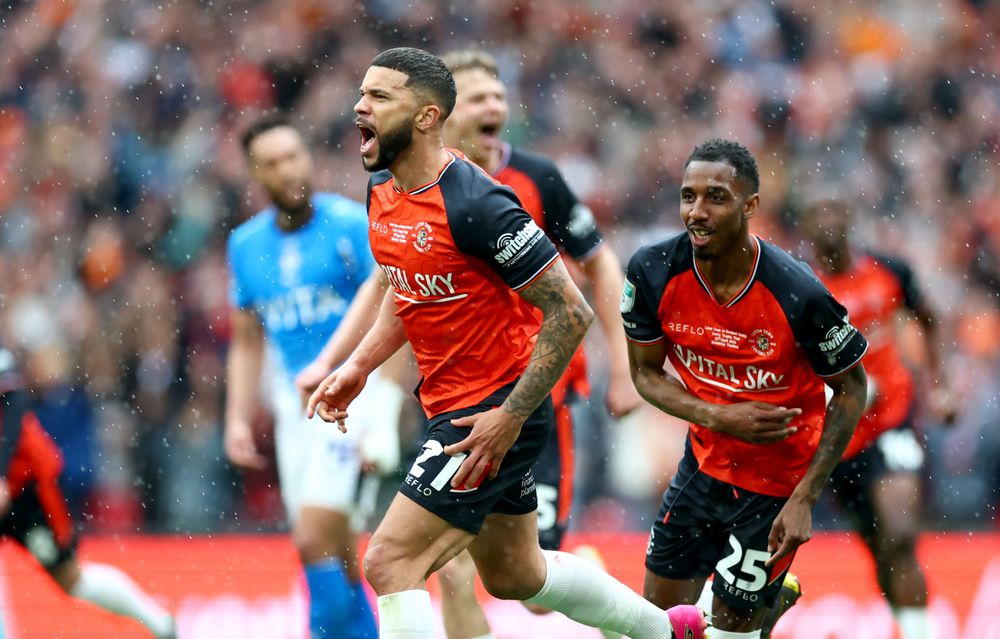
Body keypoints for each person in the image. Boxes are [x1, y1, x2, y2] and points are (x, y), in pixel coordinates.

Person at [308, 46, 705, 639]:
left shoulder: (477, 203)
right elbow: (407, 283)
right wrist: (360, 366)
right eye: (362, 94)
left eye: (379, 97)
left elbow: (570, 312)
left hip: (488, 413)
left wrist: (509, 417)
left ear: (425, 117)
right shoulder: (382, 193)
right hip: (454, 405)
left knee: (388, 562)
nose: (359, 107)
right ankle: (667, 632)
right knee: (518, 575)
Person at [432, 48, 643, 638]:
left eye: (499, 94)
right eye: (478, 97)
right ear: (442, 114)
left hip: (536, 400)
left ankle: (608, 595)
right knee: (442, 556)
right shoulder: (422, 187)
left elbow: (601, 269)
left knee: (528, 586)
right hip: (460, 399)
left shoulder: (538, 177)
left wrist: (623, 370)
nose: (494, 105)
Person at [622, 139, 869, 639]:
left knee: (729, 634)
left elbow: (851, 391)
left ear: (750, 205)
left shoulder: (798, 293)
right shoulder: (652, 270)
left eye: (716, 197)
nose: (697, 211)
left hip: (776, 489)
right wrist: (719, 416)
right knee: (658, 626)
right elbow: (645, 374)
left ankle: (758, 615)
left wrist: (805, 497)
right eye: (688, 196)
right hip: (702, 469)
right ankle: (767, 610)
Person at [225, 114, 404, 639]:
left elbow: (397, 311)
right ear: (255, 173)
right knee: (337, 550)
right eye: (274, 162)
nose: (289, 170)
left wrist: (386, 411)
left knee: (311, 537)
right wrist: (237, 418)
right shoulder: (244, 244)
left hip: (351, 398)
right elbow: (247, 337)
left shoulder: (350, 223)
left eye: (294, 155)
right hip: (293, 407)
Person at [796, 192, 954, 639]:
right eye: (816, 213)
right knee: (881, 550)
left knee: (900, 534)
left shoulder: (888, 273)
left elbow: (927, 317)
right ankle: (908, 621)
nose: (827, 221)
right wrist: (831, 392)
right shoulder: (801, 288)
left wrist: (939, 384)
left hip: (892, 419)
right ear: (804, 227)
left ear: (850, 217)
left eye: (834, 210)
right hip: (839, 439)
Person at [0, 348, 176, 639]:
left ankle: (159, 623)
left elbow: (14, 401)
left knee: (71, 579)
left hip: (29, 486)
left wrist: (2, 476)